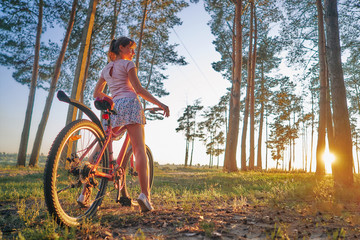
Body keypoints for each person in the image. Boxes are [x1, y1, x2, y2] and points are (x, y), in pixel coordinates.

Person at [77, 37, 170, 212]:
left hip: (114, 108)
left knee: (101, 147)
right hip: (130, 104)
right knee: (139, 149)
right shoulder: (128, 65)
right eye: (131, 48)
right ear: (121, 48)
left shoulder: (106, 69)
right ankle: (145, 196)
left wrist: (113, 99)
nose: (133, 52)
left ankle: (84, 195)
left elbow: (97, 92)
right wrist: (161, 104)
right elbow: (139, 90)